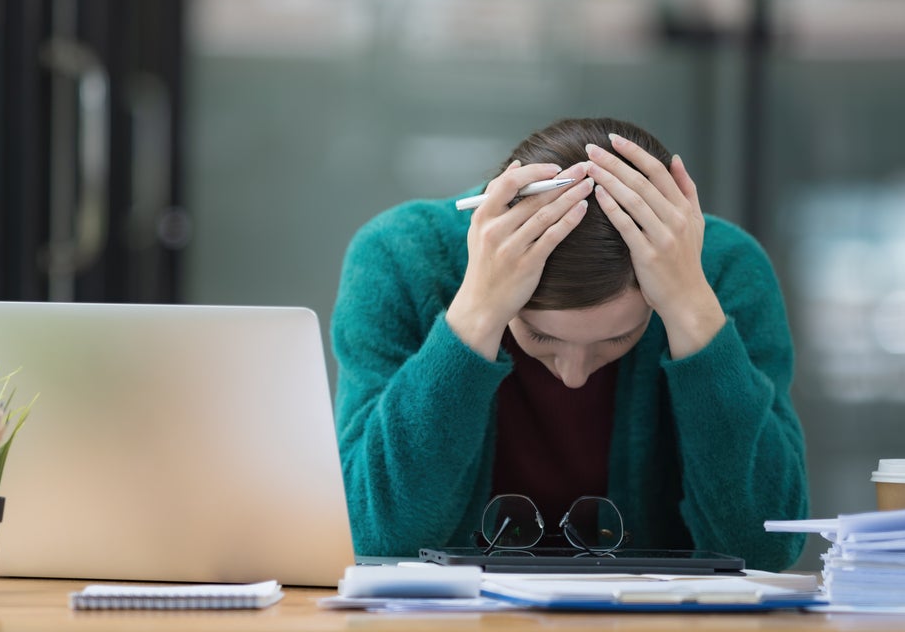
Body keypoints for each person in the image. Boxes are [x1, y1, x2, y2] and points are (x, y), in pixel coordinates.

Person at [331, 117, 807, 570]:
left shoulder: (726, 271)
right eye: (540, 336)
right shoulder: (400, 258)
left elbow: (764, 546)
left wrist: (692, 311)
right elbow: (373, 538)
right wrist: (476, 313)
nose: (574, 376)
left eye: (618, 337)